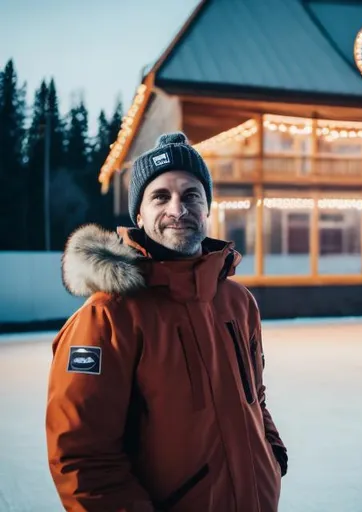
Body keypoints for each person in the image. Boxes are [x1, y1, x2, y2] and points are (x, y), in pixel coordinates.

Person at [45, 132, 287, 512]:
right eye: (160, 196)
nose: (178, 208)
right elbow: (82, 459)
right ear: (139, 215)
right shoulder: (107, 316)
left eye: (192, 195)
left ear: (207, 208)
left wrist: (272, 455)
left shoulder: (237, 302)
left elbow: (254, 396)